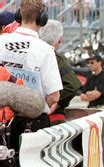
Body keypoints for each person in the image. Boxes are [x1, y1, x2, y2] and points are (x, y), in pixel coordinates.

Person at [0, 0, 62, 152]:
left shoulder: (1, 42)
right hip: (33, 124)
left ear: (18, 16)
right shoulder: (45, 50)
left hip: (2, 119)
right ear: (42, 19)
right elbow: (54, 96)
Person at [39, 19, 82, 125]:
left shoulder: (32, 54)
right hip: (52, 119)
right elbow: (73, 85)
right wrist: (56, 103)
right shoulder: (57, 58)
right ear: (60, 40)